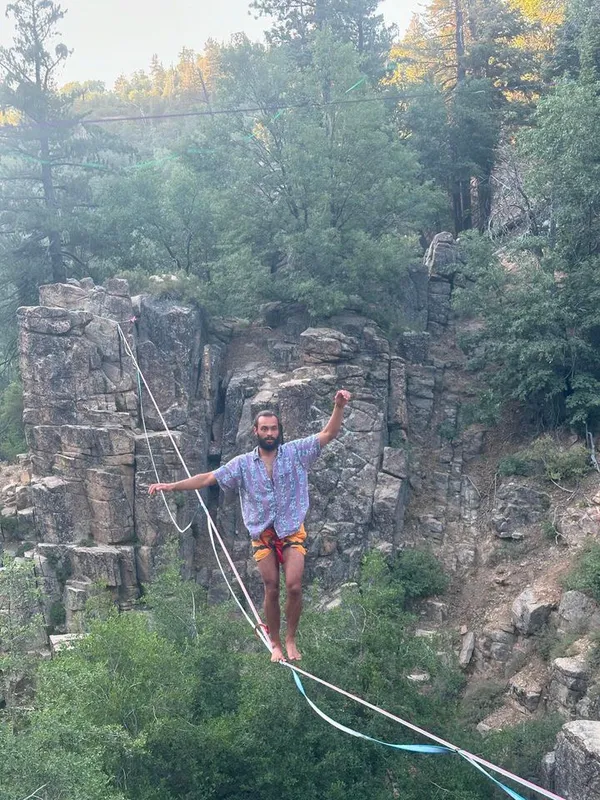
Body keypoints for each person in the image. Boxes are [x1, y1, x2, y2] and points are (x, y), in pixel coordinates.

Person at [149, 389, 352, 662]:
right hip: (263, 536)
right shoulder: (242, 464)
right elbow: (208, 477)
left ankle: (291, 638)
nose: (270, 433)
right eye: (264, 429)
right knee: (271, 588)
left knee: (293, 586)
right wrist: (171, 486)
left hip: (291, 531)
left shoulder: (296, 453)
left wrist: (338, 407)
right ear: (255, 431)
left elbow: (328, 435)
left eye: (274, 429)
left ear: (280, 431)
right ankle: (276, 643)